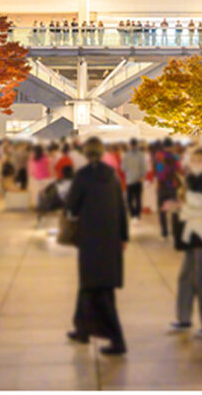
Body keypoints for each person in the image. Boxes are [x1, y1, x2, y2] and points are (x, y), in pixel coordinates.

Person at [66, 137, 129, 355]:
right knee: (92, 285)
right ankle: (82, 329)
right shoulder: (112, 176)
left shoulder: (82, 176)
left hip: (90, 240)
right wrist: (124, 236)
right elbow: (121, 208)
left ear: (86, 153)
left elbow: (71, 206)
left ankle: (117, 339)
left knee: (98, 289)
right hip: (110, 240)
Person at [169, 148, 202, 338]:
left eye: (200, 161)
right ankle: (183, 318)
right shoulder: (190, 181)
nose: (196, 164)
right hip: (191, 235)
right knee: (185, 277)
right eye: (193, 161)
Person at [154, 140, 181, 239]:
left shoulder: (159, 156)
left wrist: (161, 180)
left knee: (162, 210)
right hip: (172, 185)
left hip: (162, 186)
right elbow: (179, 168)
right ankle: (175, 230)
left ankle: (164, 231)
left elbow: (159, 172)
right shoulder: (175, 156)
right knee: (174, 210)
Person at [122, 140, 148, 220]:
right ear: (137, 145)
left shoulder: (126, 155)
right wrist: (142, 176)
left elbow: (123, 168)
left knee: (129, 199)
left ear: (130, 145)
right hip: (138, 180)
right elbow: (144, 168)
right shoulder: (141, 155)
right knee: (138, 198)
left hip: (129, 180)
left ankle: (133, 214)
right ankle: (138, 214)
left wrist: (129, 171)